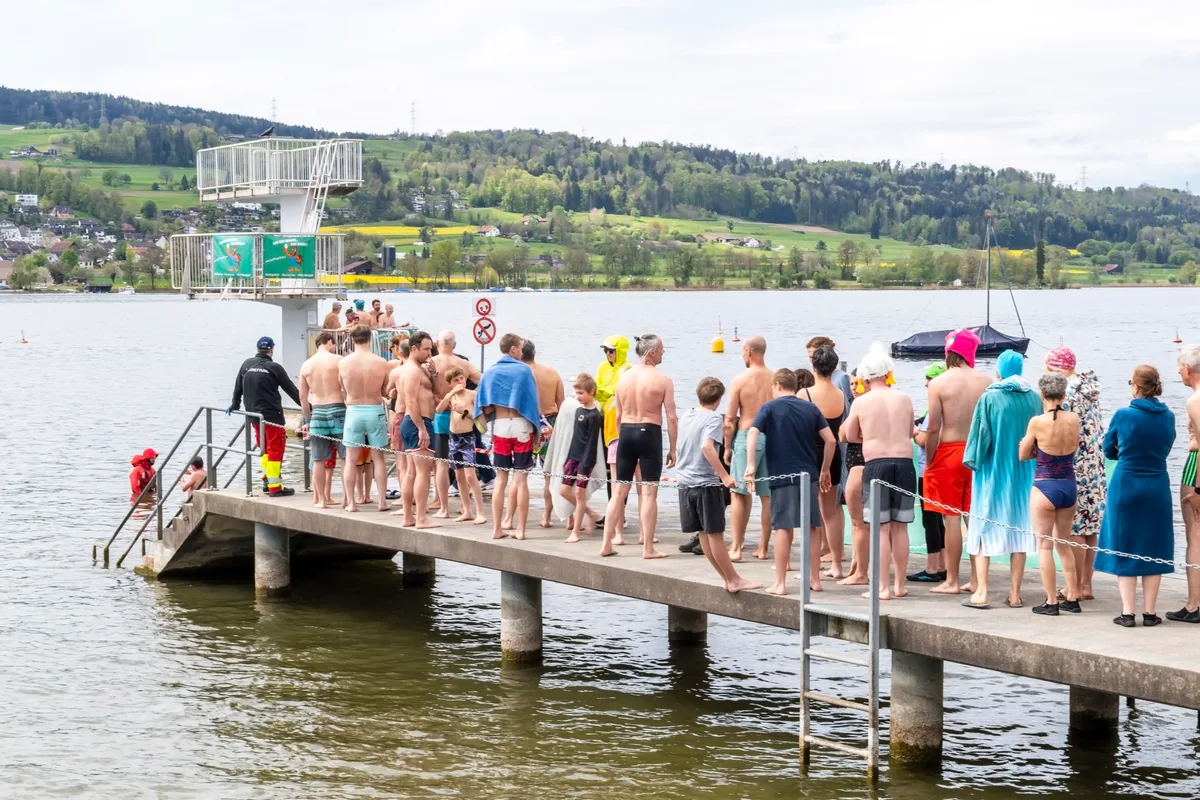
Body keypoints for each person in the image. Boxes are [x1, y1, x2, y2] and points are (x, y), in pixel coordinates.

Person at [960, 350, 1041, 609]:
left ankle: (982, 592)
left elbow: (979, 436)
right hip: (1024, 474)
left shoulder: (990, 397)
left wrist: (972, 460)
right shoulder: (1034, 398)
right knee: (1020, 531)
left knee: (982, 528)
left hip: (993, 473)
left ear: (999, 370)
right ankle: (1015, 594)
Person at [1096, 365, 1175, 628]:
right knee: (1153, 547)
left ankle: (1128, 613)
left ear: (1135, 386)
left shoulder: (1123, 414)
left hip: (1127, 482)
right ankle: (1150, 613)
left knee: (1125, 545)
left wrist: (1125, 453)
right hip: (1157, 484)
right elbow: (1167, 445)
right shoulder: (1169, 416)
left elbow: (1108, 448)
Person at [744, 368, 835, 596]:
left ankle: (781, 583)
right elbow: (831, 440)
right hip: (809, 475)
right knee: (813, 527)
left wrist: (751, 465)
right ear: (795, 386)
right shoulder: (810, 407)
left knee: (783, 528)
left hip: (782, 475)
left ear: (776, 386)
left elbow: (753, 433)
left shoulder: (770, 407)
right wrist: (825, 469)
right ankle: (814, 579)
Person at [842, 343, 917, 600]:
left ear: (865, 377)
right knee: (900, 528)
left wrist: (868, 435)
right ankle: (899, 585)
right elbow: (909, 432)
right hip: (905, 464)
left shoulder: (861, 403)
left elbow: (849, 435)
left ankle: (882, 587)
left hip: (876, 465)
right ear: (888, 374)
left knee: (880, 528)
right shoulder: (904, 398)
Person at [924, 328, 991, 593]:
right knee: (973, 518)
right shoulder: (986, 382)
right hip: (977, 453)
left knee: (951, 518)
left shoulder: (938, 383)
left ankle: (951, 580)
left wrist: (930, 459)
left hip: (948, 451)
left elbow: (932, 428)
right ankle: (977, 579)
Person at [679, 377, 761, 592]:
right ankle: (733, 579)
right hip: (704, 482)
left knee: (704, 534)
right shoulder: (714, 418)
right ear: (719, 399)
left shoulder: (687, 414)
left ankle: (727, 578)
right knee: (714, 533)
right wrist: (724, 476)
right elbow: (707, 447)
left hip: (685, 482)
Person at [599, 334, 678, 559]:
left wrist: (619, 437)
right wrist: (673, 448)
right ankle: (648, 548)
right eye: (661, 349)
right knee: (649, 493)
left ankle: (606, 544)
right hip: (649, 432)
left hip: (625, 432)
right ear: (652, 352)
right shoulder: (662, 380)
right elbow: (672, 418)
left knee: (619, 491)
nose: (663, 352)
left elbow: (618, 415)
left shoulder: (624, 378)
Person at [1045, 346, 1106, 600]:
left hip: (1075, 465)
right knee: (1090, 529)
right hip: (1096, 465)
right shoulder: (1089, 388)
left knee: (1074, 530)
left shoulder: (1066, 393)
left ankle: (1076, 586)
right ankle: (1087, 585)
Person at [1019, 371, 1082, 616]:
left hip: (1045, 485)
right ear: (1064, 394)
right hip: (1068, 485)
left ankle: (1051, 601)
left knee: (1044, 546)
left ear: (1042, 394)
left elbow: (1023, 454)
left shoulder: (1037, 421)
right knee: (1063, 544)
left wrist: (1031, 447)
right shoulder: (1074, 418)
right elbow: (1074, 448)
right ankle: (1073, 596)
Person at [474, 333, 541, 540]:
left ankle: (497, 529)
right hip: (521, 426)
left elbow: (483, 404)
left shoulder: (490, 373)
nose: (522, 352)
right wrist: (537, 432)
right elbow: (532, 402)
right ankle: (520, 529)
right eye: (520, 348)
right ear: (513, 349)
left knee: (501, 480)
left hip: (501, 427)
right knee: (520, 481)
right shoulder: (524, 371)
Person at [229, 336, 301, 497]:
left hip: (254, 416)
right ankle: (275, 486)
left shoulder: (246, 364)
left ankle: (266, 480)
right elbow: (292, 390)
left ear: (257, 349)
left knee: (264, 449)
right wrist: (308, 407)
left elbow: (238, 387)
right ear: (272, 350)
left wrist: (234, 405)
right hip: (272, 417)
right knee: (275, 449)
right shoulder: (274, 367)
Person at [724, 335, 774, 562]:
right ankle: (763, 547)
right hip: (770, 437)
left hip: (746, 436)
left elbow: (729, 419)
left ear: (749, 351)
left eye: (743, 351)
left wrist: (727, 446)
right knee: (767, 496)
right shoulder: (775, 380)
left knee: (739, 493)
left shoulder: (740, 380)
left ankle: (736, 546)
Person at [800, 346, 847, 579]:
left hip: (811, 455)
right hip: (834, 455)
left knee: (811, 515)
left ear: (814, 366)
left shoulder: (804, 394)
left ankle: (813, 567)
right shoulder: (840, 394)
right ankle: (837, 564)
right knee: (831, 513)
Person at [338, 324, 392, 512]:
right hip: (374, 409)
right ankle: (382, 502)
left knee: (351, 460)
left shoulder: (344, 363)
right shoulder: (380, 362)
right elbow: (385, 388)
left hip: (353, 410)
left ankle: (351, 503)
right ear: (370, 338)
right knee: (378, 459)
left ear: (352, 340)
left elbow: (342, 388)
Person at [431, 331, 482, 520]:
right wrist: (470, 393)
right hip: (459, 417)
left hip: (441, 416)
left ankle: (443, 506)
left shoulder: (432, 363)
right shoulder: (463, 364)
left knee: (441, 465)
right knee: (461, 467)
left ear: (437, 343)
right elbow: (483, 380)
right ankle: (463, 505)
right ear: (455, 344)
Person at [519, 339, 564, 529]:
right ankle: (546, 517)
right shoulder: (552, 373)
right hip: (551, 424)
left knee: (520, 476)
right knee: (550, 475)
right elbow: (562, 405)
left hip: (528, 423)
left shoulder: (521, 374)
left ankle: (512, 517)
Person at [909, 361, 947, 583]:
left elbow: (924, 439)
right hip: (945, 466)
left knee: (930, 519)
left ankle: (932, 567)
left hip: (929, 469)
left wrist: (913, 432)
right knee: (942, 519)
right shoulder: (951, 406)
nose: (925, 383)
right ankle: (943, 564)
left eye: (930, 378)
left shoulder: (933, 410)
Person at [1170, 345, 1200, 623]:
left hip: (1196, 469)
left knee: (1194, 536)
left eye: (1179, 367)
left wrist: (1198, 489)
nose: (1178, 371)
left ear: (1188, 370)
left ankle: (1194, 603)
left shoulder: (1195, 401)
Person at [398, 331, 439, 528]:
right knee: (423, 472)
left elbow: (435, 394)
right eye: (426, 349)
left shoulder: (415, 369)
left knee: (411, 472)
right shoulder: (413, 371)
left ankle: (408, 517)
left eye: (430, 349)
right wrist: (422, 428)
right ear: (414, 349)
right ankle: (421, 518)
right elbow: (411, 401)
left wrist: (434, 374)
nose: (430, 353)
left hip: (412, 422)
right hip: (418, 421)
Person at [299, 331, 345, 509]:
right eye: (333, 344)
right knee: (345, 457)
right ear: (329, 342)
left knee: (318, 459)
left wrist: (308, 419)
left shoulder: (306, 365)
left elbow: (303, 397)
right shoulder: (338, 360)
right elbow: (344, 388)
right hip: (338, 408)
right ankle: (348, 499)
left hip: (317, 411)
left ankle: (321, 500)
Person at [440, 365, 487, 524]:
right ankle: (467, 510)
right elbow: (439, 410)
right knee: (458, 476)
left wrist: (465, 412)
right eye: (456, 380)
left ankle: (480, 512)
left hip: (467, 438)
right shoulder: (451, 396)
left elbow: (482, 424)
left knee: (470, 476)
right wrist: (450, 394)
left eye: (461, 378)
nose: (460, 382)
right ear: (450, 384)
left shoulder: (472, 395)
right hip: (453, 439)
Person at [596, 335, 632, 536]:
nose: (608, 354)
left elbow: (617, 392)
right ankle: (613, 512)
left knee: (621, 473)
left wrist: (607, 391)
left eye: (611, 350)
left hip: (620, 425)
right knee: (610, 472)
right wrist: (607, 392)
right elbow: (597, 391)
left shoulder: (628, 368)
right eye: (605, 351)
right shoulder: (602, 368)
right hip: (604, 421)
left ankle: (621, 514)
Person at [562, 373, 604, 543]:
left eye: (581, 393)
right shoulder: (578, 411)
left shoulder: (595, 416)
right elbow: (575, 437)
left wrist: (586, 463)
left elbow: (592, 443)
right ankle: (591, 513)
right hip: (573, 456)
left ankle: (576, 533)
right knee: (564, 490)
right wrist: (567, 459)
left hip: (586, 459)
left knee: (579, 493)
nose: (578, 397)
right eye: (577, 393)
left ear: (591, 392)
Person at [838, 371, 870, 586]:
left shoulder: (861, 405)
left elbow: (843, 435)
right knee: (863, 522)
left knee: (859, 522)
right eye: (851, 383)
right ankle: (857, 564)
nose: (854, 388)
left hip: (859, 464)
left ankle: (861, 572)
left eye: (857, 383)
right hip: (867, 464)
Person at [386, 336, 411, 500]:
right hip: (419, 417)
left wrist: (392, 393)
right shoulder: (422, 370)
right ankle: (416, 496)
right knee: (415, 463)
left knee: (401, 462)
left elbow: (388, 392)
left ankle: (405, 498)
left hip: (401, 414)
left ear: (399, 352)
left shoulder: (395, 371)